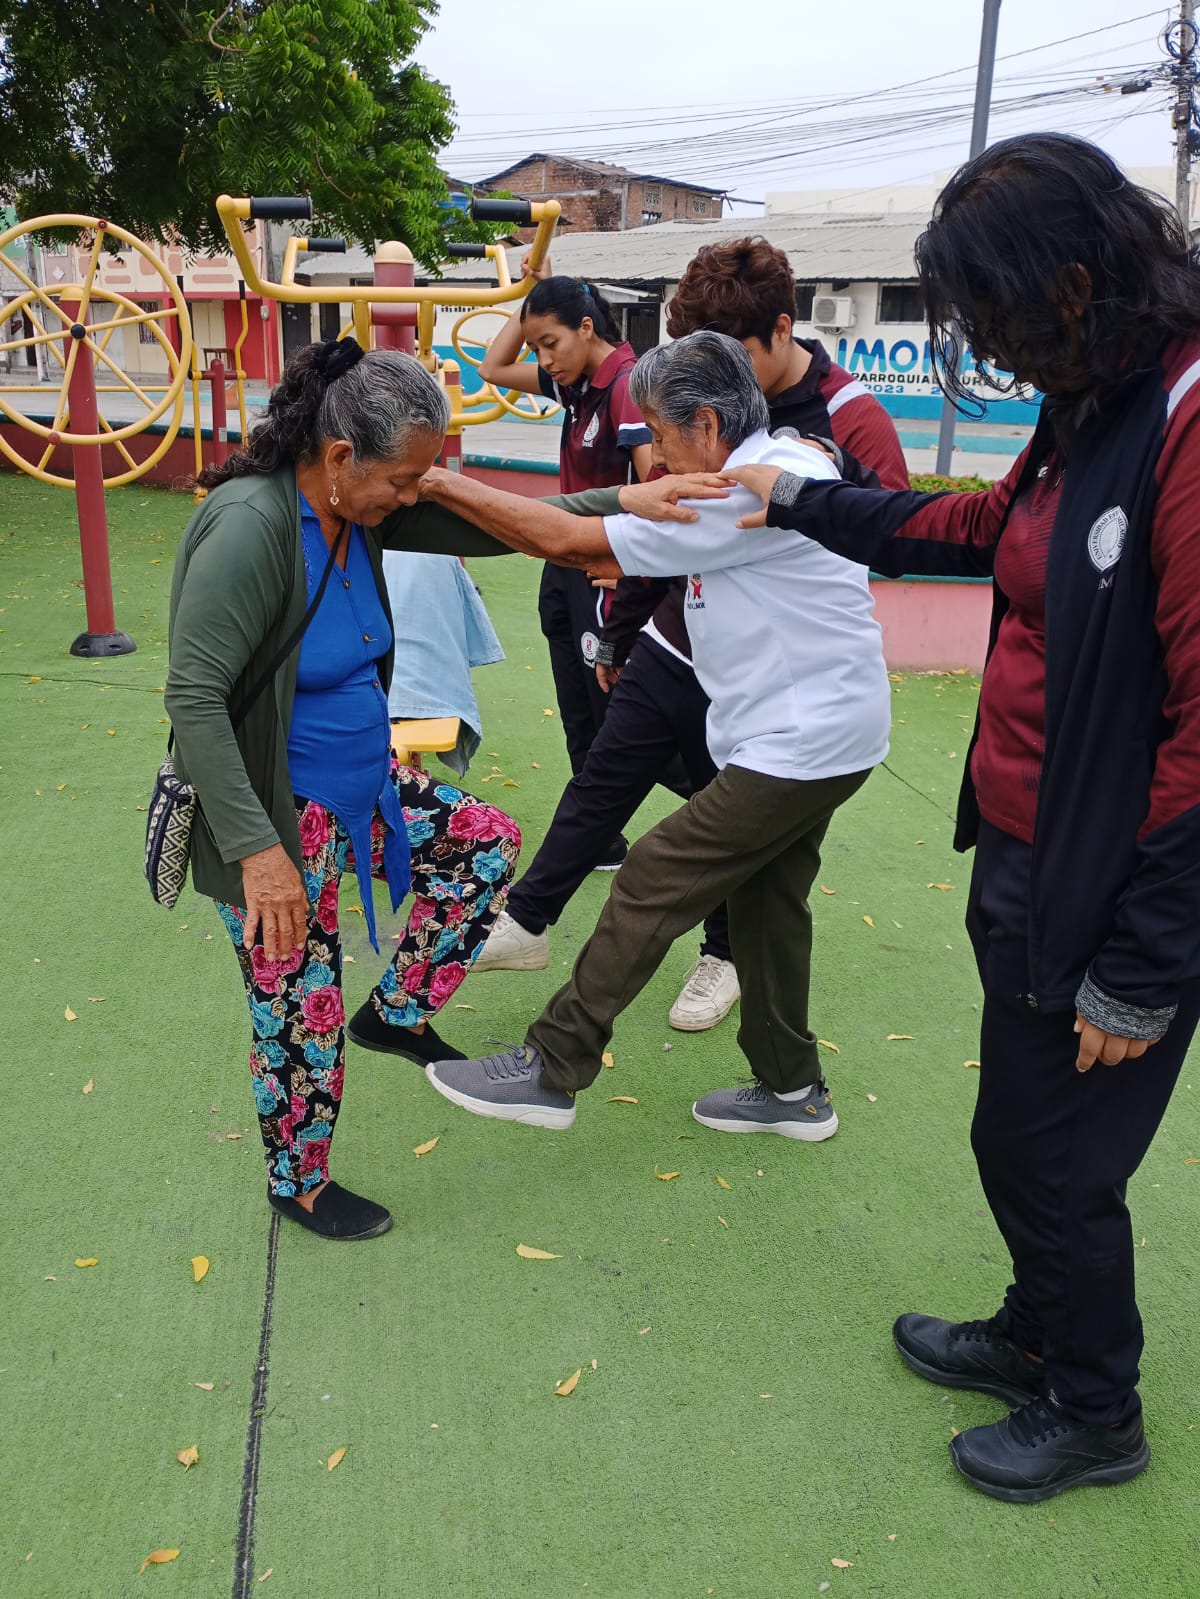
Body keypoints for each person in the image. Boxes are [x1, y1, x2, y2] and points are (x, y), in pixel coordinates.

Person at [727, 133, 1200, 1502]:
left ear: (1074, 281)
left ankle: (1096, 1407)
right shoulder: (1092, 397)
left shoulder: (1181, 417)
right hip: (1027, 846)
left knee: (1061, 1157)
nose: (986, 345)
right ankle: (1038, 1332)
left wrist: (1148, 960)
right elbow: (983, 531)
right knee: (1018, 1133)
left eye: (994, 312)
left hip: (1118, 879)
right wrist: (801, 498)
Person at [418, 330, 891, 1143]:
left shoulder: (730, 493)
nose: (656, 460)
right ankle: (792, 1089)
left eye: (663, 438)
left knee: (651, 874)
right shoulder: (781, 458)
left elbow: (558, 540)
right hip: (830, 732)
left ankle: (551, 1065)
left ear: (707, 424)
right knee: (767, 906)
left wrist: (434, 480)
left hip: (800, 742)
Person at [476, 237, 909, 1034]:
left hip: (778, 682)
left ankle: (672, 987)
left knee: (717, 855)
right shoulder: (695, 413)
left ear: (781, 331)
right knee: (607, 770)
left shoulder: (841, 418)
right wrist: (622, 629)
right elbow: (663, 507)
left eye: (732, 347)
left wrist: (821, 482)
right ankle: (530, 918)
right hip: (685, 629)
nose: (718, 361)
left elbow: (891, 532)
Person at [164, 340, 526, 1241]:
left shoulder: (360, 512)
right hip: (278, 813)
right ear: (337, 457)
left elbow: (499, 529)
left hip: (364, 791)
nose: (410, 496)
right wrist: (260, 856)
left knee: (482, 843)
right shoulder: (252, 526)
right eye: (401, 479)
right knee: (300, 1008)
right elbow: (194, 697)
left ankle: (396, 1013)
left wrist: (629, 513)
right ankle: (299, 1181)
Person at [480, 264, 652, 869]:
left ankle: (699, 813)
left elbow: (656, 485)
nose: (543, 359)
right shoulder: (574, 385)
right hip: (563, 567)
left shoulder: (625, 386)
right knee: (576, 704)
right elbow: (492, 368)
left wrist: (637, 562)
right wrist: (531, 303)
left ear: (586, 327)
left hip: (603, 568)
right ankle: (600, 837)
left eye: (550, 343)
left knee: (610, 708)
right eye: (537, 348)